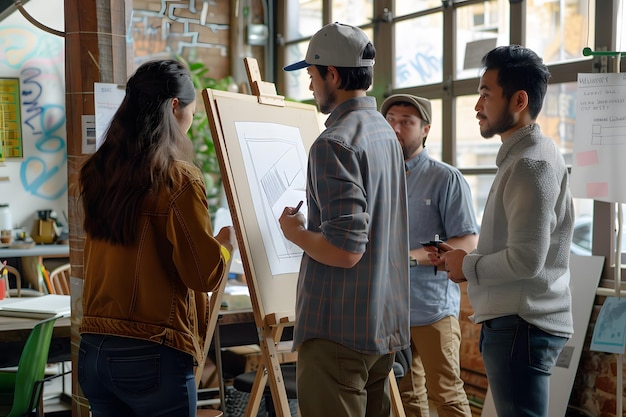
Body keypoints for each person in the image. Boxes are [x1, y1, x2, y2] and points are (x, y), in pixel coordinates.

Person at [77, 59, 237, 417]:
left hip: (93, 349)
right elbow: (203, 275)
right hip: (152, 350)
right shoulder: (178, 179)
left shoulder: (97, 172)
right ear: (175, 106)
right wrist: (225, 245)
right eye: (193, 112)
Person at [428, 45, 574, 417]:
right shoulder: (526, 155)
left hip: (521, 325)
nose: (477, 106)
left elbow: (526, 260)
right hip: (520, 323)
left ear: (519, 99)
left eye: (485, 94)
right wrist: (462, 260)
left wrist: (468, 265)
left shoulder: (531, 164)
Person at [278, 22, 410, 417]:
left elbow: (344, 249)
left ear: (331, 74)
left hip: (338, 329)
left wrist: (295, 233)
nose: (311, 86)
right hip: (379, 324)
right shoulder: (384, 133)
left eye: (312, 75)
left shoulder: (334, 142)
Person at [381, 94, 478, 417]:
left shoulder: (446, 178)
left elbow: (467, 240)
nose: (396, 127)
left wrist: (407, 258)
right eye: (391, 119)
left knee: (446, 395)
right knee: (406, 394)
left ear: (425, 129)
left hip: (432, 308)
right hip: (390, 309)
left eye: (406, 122)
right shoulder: (378, 176)